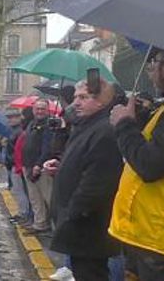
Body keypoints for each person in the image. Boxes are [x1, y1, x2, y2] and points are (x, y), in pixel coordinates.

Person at [49, 78, 124, 281]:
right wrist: (62, 166)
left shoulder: (105, 131)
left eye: (83, 97)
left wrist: (72, 214)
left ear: (101, 101)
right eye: (75, 97)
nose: (76, 103)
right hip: (81, 224)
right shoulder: (86, 126)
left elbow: (97, 183)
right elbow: (84, 162)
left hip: (88, 226)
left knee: (91, 274)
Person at [109, 46, 164, 280]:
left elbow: (150, 166)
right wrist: (138, 120)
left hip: (155, 237)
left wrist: (124, 125)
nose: (151, 70)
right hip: (144, 234)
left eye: (156, 63)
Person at [23, 98, 57, 234]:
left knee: (48, 197)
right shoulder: (31, 124)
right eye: (37, 108)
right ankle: (39, 223)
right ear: (33, 110)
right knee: (35, 198)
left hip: (42, 167)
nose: (40, 111)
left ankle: (56, 227)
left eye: (43, 108)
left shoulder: (49, 126)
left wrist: (38, 164)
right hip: (28, 165)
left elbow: (47, 148)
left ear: (47, 110)